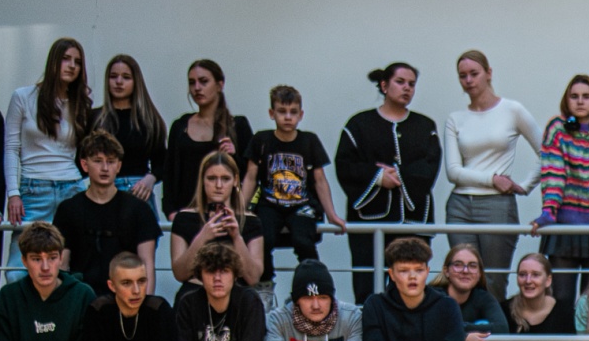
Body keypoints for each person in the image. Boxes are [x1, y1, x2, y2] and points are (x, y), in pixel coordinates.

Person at [337, 63, 440, 306]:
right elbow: (345, 165)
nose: (407, 88)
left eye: (411, 84)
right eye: (400, 82)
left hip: (413, 221)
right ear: (384, 85)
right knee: (366, 287)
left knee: (410, 289)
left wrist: (400, 176)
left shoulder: (425, 126)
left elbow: (430, 165)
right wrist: (377, 177)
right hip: (369, 220)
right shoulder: (359, 124)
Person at [444, 52, 541, 300]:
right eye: (462, 76)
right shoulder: (456, 119)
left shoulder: (512, 110)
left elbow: (548, 153)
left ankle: (494, 326)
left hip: (497, 205)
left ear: (488, 73)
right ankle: (464, 325)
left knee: (494, 281)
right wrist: (492, 179)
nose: (468, 80)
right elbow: (453, 171)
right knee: (462, 278)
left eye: (474, 74)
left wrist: (526, 186)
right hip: (460, 205)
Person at [533, 75, 589, 310]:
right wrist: (549, 211)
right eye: (574, 96)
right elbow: (553, 172)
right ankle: (562, 337)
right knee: (561, 298)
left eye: (586, 96)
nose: (580, 101)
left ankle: (587, 338)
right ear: (566, 101)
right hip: (564, 225)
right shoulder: (556, 128)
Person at [239, 85, 346, 289]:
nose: (288, 117)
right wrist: (240, 210)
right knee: (263, 239)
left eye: (293, 112)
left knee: (304, 241)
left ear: (301, 114)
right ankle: (264, 285)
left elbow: (320, 180)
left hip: (301, 204)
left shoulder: (309, 141)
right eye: (282, 111)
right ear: (271, 113)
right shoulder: (261, 140)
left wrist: (332, 214)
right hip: (270, 203)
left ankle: (313, 287)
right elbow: (251, 177)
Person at [53, 129, 159, 293]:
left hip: (126, 297)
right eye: (98, 161)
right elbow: (62, 265)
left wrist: (146, 304)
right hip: (82, 298)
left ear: (119, 166)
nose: (105, 168)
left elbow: (147, 265)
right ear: (84, 165)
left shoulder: (139, 210)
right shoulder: (68, 209)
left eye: (110, 161)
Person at [2, 39, 89, 230]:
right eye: (66, 58)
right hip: (33, 187)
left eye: (77, 62)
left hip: (72, 186)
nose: (72, 66)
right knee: (22, 247)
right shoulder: (23, 96)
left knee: (74, 247)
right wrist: (13, 193)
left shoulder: (79, 103)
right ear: (53, 61)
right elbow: (11, 148)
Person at [162, 60, 251, 220]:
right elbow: (169, 172)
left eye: (203, 81)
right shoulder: (180, 126)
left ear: (219, 85)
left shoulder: (237, 125)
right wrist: (170, 211)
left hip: (224, 214)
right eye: (192, 83)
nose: (197, 88)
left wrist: (234, 156)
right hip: (186, 212)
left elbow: (250, 175)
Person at [168, 151, 263, 289]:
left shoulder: (251, 222)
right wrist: (203, 237)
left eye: (225, 179)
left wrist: (237, 237)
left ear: (235, 180)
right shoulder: (184, 219)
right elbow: (180, 274)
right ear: (202, 180)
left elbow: (253, 278)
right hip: (196, 292)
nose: (218, 185)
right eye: (212, 178)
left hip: (237, 293)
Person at [91, 53, 166, 202]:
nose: (119, 82)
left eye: (126, 77)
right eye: (113, 76)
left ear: (136, 82)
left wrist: (151, 179)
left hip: (139, 189)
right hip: (104, 189)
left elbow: (162, 161)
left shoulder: (148, 119)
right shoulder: (95, 118)